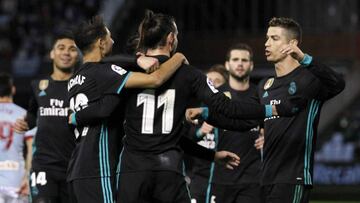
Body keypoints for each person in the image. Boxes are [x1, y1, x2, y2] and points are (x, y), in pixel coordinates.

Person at [113, 10, 297, 203]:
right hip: (168, 171)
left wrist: (136, 60)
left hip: (131, 172)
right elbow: (228, 108)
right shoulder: (189, 74)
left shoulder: (126, 71)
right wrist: (271, 109)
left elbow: (100, 66)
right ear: (170, 38)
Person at [66, 15, 188, 203]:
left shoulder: (75, 79)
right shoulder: (106, 73)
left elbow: (101, 108)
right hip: (99, 168)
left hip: (76, 170)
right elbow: (155, 80)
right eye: (109, 37)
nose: (113, 41)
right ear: (100, 42)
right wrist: (179, 57)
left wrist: (77, 117)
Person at [258, 17, 345, 203]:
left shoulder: (310, 80)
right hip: (265, 179)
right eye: (267, 38)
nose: (266, 43)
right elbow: (249, 116)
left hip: (293, 178)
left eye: (274, 38)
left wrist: (304, 58)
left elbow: (338, 83)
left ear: (292, 44)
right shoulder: (264, 86)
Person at [14, 31, 80, 203]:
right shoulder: (38, 86)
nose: (66, 52)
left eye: (72, 49)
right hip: (43, 165)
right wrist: (26, 123)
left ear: (78, 55)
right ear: (52, 53)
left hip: (74, 166)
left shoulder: (82, 86)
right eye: (61, 48)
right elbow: (33, 113)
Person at [206, 43, 264, 203]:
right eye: (235, 59)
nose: (240, 63)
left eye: (244, 60)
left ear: (251, 65)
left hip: (253, 179)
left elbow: (271, 125)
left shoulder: (260, 95)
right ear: (227, 64)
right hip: (221, 176)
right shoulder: (215, 96)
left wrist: (268, 135)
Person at [184, 64, 229, 203]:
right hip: (198, 176)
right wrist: (199, 133)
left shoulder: (230, 114)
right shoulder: (193, 111)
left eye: (217, 81)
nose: (213, 85)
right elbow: (183, 141)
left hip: (221, 176)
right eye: (209, 80)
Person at [0, 73, 33, 203]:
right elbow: (32, 150)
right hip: (16, 181)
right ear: (13, 89)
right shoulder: (24, 115)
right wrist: (28, 177)